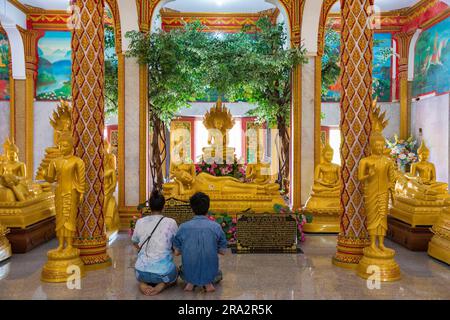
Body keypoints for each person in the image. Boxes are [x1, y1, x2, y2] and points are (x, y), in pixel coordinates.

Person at [173, 192, 228, 292]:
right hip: (211, 273)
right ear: (208, 207)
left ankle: (191, 282)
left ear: (192, 208)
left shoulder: (183, 227)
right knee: (218, 274)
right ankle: (208, 283)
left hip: (188, 273)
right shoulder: (216, 227)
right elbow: (223, 251)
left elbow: (176, 252)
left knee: (181, 270)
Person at [132, 190, 178, 296]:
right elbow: (175, 246)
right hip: (163, 273)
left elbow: (135, 243)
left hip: (141, 272)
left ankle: (142, 284)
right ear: (163, 207)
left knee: (141, 270)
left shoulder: (140, 222)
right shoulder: (171, 222)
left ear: (149, 207)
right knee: (175, 271)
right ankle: (162, 285)